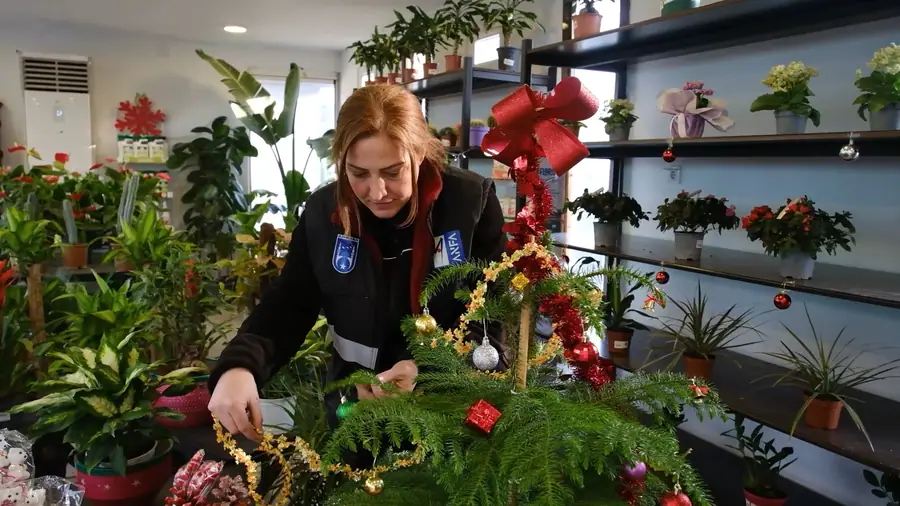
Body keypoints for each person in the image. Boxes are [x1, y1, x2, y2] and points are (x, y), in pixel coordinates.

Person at [208, 84, 508, 441]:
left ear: (421, 154)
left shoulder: (469, 204)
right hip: (355, 403)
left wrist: (426, 371)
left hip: (450, 405)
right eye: (358, 173)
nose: (377, 192)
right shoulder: (323, 212)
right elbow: (289, 304)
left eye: (393, 172)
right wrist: (239, 367)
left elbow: (491, 314)